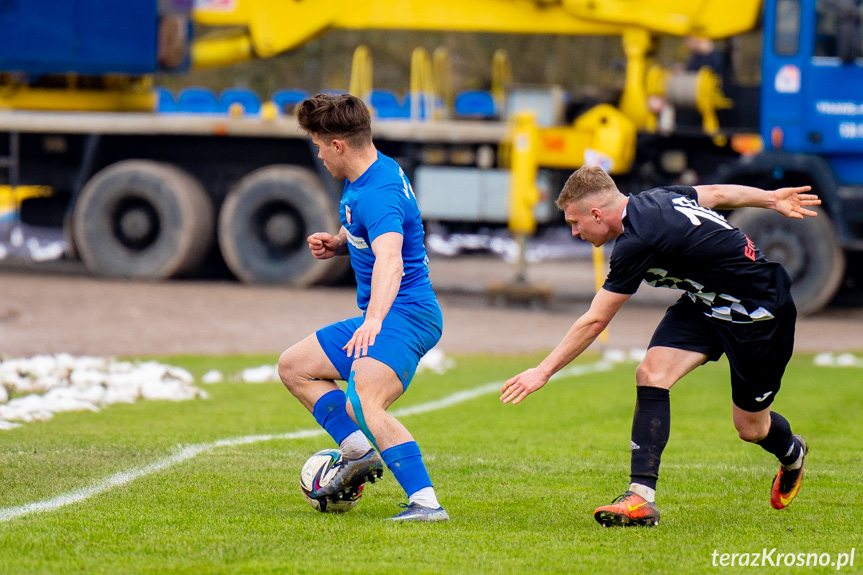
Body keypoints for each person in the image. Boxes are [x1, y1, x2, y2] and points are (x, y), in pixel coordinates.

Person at [500, 165, 817, 527]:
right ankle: (640, 498)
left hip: (758, 313)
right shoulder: (656, 197)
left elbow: (595, 320)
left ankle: (793, 453)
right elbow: (713, 191)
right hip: (705, 303)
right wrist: (770, 198)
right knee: (651, 374)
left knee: (750, 428)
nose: (574, 232)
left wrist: (542, 372)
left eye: (575, 223)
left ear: (597, 214)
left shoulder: (639, 240)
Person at [278, 93, 448, 522]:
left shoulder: (379, 193)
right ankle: (358, 453)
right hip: (390, 313)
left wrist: (372, 320)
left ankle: (426, 504)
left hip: (406, 315)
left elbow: (391, 258)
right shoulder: (371, 172)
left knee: (363, 403)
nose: (317, 154)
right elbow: (367, 228)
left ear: (338, 145)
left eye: (318, 145)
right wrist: (338, 244)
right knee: (294, 366)